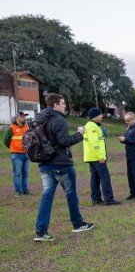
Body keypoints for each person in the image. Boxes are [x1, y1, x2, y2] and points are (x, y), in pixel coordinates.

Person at [33, 94, 95, 241]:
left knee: (46, 197)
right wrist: (80, 134)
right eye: (62, 103)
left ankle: (40, 231)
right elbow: (64, 141)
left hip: (44, 164)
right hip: (61, 164)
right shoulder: (59, 119)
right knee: (71, 194)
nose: (65, 106)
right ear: (55, 105)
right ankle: (77, 224)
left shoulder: (39, 119)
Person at [83, 107, 120, 206]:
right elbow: (94, 142)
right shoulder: (92, 126)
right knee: (105, 176)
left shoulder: (94, 125)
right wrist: (101, 156)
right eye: (100, 114)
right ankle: (109, 198)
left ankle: (96, 199)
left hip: (92, 156)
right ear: (95, 116)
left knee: (95, 177)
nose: (102, 116)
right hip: (96, 157)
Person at [4, 111, 31, 196]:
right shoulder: (11, 128)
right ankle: (18, 192)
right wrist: (14, 148)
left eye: (25, 117)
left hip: (26, 154)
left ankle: (25, 190)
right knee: (17, 173)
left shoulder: (27, 126)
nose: (24, 118)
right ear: (17, 118)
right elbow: (6, 141)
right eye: (22, 117)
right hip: (16, 155)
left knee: (25, 173)